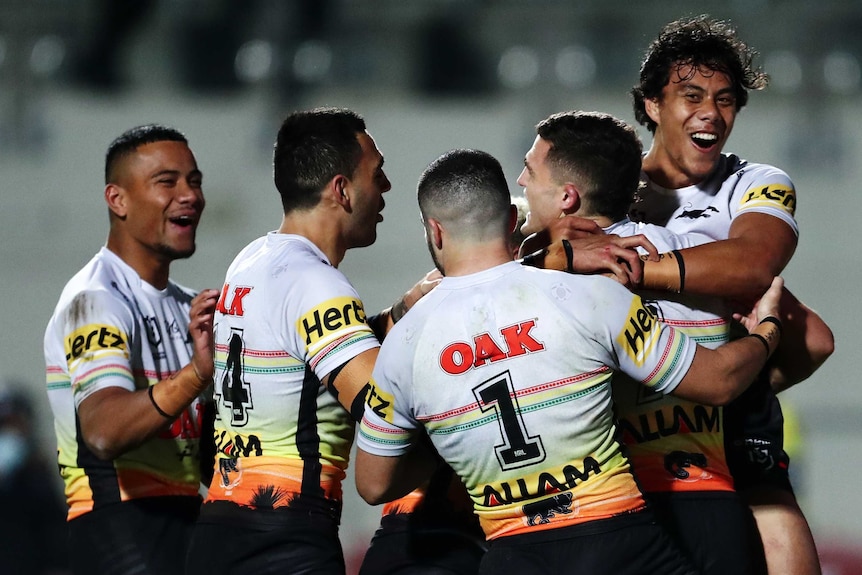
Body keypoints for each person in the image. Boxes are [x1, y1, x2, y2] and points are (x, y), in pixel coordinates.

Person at [354, 148, 786, 575]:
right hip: (623, 547)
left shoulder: (402, 346)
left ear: (435, 232)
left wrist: (449, 430)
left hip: (512, 556)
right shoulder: (590, 297)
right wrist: (767, 331)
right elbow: (719, 381)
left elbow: (373, 485)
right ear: (510, 219)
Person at [629, 15, 834, 575]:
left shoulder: (756, 181)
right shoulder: (609, 187)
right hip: (620, 431)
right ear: (651, 104)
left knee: (768, 495)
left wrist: (633, 268)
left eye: (724, 100)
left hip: (728, 428)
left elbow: (754, 264)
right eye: (690, 95)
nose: (710, 113)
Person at [184, 107, 406, 575]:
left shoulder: (251, 261)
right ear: (342, 190)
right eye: (377, 173)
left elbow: (300, 362)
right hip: (285, 540)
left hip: (218, 526)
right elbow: (378, 403)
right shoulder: (316, 282)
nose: (385, 188)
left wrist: (402, 313)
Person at [43, 124, 219, 575]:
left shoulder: (187, 306)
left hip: (186, 526)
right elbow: (104, 431)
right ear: (117, 199)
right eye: (168, 182)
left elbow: (204, 462)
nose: (190, 196)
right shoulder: (96, 299)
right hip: (118, 530)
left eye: (194, 181)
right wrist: (196, 375)